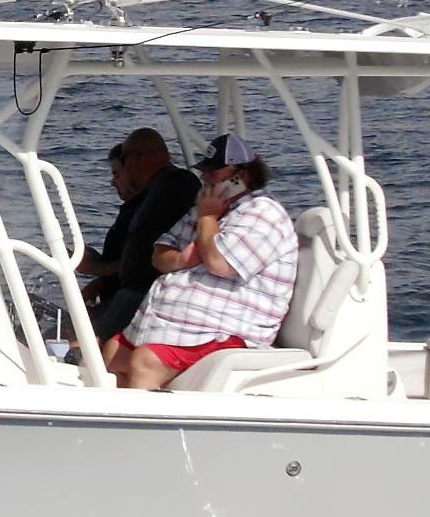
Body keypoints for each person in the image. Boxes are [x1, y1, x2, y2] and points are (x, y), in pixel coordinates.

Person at [108, 134, 299, 392]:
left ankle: (144, 417)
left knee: (146, 362)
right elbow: (160, 254)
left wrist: (207, 219)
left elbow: (219, 263)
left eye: (214, 173)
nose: (206, 179)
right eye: (205, 172)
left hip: (227, 329)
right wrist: (183, 259)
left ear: (241, 175)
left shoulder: (262, 213)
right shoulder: (206, 206)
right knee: (111, 353)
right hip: (177, 325)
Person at [75, 129, 201, 345]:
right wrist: (101, 281)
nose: (115, 179)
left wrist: (97, 268)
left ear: (135, 158)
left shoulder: (175, 184)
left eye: (122, 164)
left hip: (142, 295)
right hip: (130, 293)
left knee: (79, 344)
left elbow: (148, 254)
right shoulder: (155, 191)